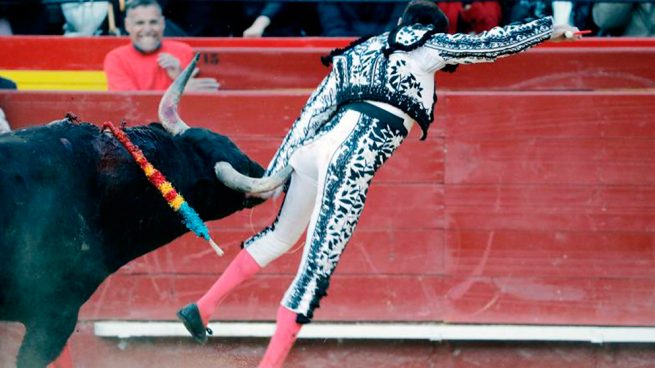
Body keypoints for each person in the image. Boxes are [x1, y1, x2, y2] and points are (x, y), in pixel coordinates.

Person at [176, 1, 580, 367]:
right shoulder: (425, 46)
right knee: (315, 266)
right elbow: (488, 45)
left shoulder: (355, 54)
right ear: (428, 28)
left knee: (281, 235)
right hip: (351, 158)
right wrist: (548, 30)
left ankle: (204, 306)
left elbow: (309, 117)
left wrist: (271, 179)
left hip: (316, 150)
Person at [103, 0, 218, 91]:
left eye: (153, 22)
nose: (147, 29)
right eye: (140, 23)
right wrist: (179, 89)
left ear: (162, 23)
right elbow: (133, 104)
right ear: (127, 26)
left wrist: (180, 76)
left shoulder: (183, 51)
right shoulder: (116, 58)